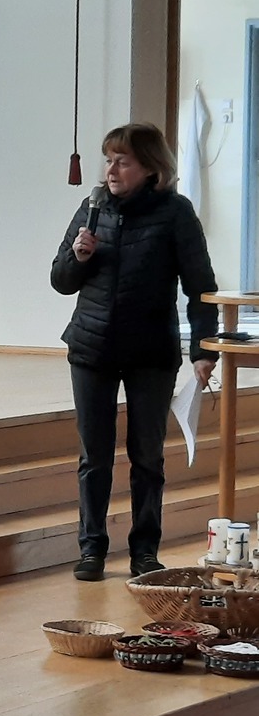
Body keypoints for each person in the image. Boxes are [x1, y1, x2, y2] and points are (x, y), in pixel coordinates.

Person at [51, 122, 218, 582]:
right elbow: (60, 281)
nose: (111, 170)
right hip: (92, 348)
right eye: (108, 160)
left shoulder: (175, 213)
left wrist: (203, 350)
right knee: (95, 457)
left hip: (150, 352)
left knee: (147, 457)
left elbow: (201, 286)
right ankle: (91, 549)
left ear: (150, 167)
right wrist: (77, 257)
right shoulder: (91, 208)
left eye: (122, 162)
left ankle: (145, 551)